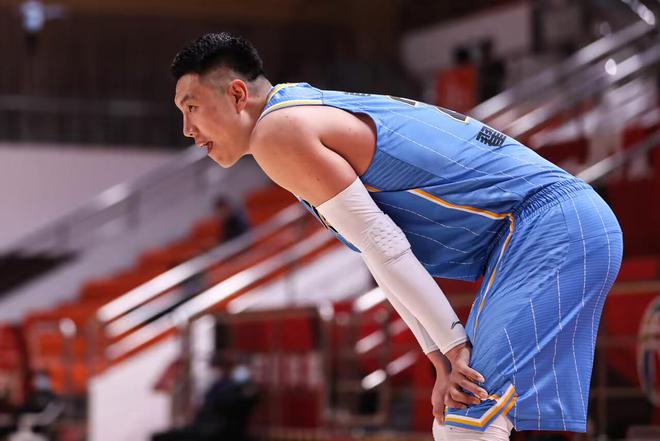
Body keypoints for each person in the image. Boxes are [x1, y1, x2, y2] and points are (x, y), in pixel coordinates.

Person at [170, 33, 623, 440]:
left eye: (192, 108)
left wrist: (453, 348)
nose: (187, 129)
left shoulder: (278, 132)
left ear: (237, 94)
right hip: (548, 228)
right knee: (470, 418)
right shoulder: (297, 108)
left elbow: (383, 245)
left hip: (548, 226)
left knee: (467, 418)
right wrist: (440, 356)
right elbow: (378, 253)